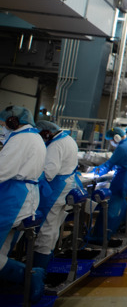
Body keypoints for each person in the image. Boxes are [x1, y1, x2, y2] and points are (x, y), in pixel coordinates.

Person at [0, 106, 46, 302]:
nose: (3, 128)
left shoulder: (20, 139)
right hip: (23, 197)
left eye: (3, 124)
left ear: (12, 122)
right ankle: (29, 275)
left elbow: (3, 169)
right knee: (3, 249)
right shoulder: (33, 137)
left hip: (14, 200)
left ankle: (30, 276)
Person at [33, 121, 81, 270]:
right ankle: (43, 265)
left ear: (47, 132)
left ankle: (37, 269)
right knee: (53, 227)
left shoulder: (56, 145)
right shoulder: (67, 139)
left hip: (56, 191)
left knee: (46, 228)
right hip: (64, 189)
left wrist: (33, 176)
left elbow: (49, 172)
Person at [86, 127, 127, 244]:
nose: (111, 142)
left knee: (112, 210)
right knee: (117, 209)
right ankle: (108, 233)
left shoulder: (122, 147)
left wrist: (94, 172)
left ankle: (101, 237)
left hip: (122, 179)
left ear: (116, 137)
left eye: (111, 140)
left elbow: (109, 164)